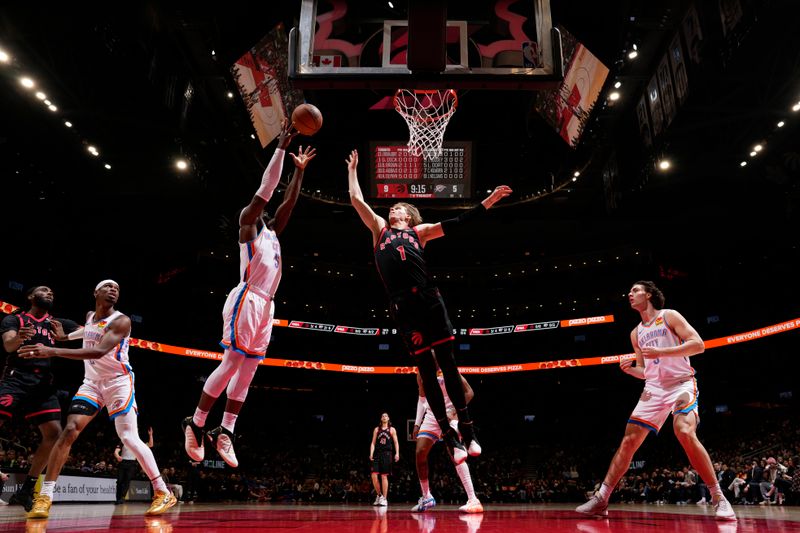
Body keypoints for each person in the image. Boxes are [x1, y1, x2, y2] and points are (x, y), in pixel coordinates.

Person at [346, 148, 511, 464]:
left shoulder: (419, 232)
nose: (393, 210)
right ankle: (450, 439)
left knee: (447, 364)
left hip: (428, 299)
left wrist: (488, 202)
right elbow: (357, 200)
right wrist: (353, 170)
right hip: (403, 308)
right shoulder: (379, 229)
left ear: (408, 216)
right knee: (425, 370)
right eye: (392, 208)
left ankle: (468, 429)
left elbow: (458, 222)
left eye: (398, 208)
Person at [182, 122, 315, 468]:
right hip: (247, 298)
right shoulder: (248, 224)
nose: (267, 208)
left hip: (267, 306)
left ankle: (224, 431)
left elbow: (288, 202)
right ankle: (196, 423)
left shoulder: (273, 234)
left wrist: (299, 173)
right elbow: (267, 189)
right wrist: (283, 150)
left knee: (250, 368)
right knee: (231, 362)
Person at [575, 281, 736, 521]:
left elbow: (698, 345)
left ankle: (718, 496)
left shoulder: (669, 316)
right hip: (653, 389)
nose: (630, 294)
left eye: (635, 290)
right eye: (629, 291)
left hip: (681, 383)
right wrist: (632, 370)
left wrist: (661, 352)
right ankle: (602, 499)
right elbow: (646, 369)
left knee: (683, 431)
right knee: (628, 441)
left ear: (648, 294)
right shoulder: (635, 333)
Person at [18, 280, 176, 519]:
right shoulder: (92, 315)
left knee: (128, 437)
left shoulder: (122, 321)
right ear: (96, 292)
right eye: (108, 286)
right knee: (69, 430)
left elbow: (98, 350)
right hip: (92, 383)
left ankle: (163, 491)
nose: (114, 289)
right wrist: (66, 337)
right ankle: (45, 497)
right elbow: (89, 329)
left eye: (117, 288)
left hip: (118, 382)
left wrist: (54, 350)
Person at [0, 286, 80, 511]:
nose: (50, 293)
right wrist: (19, 340)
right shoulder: (14, 319)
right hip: (16, 379)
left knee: (54, 433)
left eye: (52, 292)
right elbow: (8, 345)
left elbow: (91, 331)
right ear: (30, 297)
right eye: (44, 290)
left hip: (44, 384)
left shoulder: (57, 323)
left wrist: (67, 336)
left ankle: (26, 490)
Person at [411, 371, 483, 513]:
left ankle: (473, 499)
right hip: (432, 415)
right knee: (420, 452)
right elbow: (422, 398)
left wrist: (455, 411)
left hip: (450, 413)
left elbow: (469, 393)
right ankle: (427, 497)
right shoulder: (421, 373)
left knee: (455, 453)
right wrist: (417, 424)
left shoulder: (450, 369)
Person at [114, 426, 154, 503]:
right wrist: (117, 456)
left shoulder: (139, 443)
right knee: (119, 481)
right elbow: (116, 451)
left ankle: (122, 497)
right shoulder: (123, 440)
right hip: (123, 462)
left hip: (132, 463)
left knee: (127, 481)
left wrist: (150, 435)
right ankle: (118, 497)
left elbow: (150, 445)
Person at [369, 412, 400, 506]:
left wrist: (397, 453)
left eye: (386, 415)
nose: (384, 417)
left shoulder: (392, 429)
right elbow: (373, 443)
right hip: (377, 454)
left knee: (384, 476)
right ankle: (379, 496)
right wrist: (371, 453)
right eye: (382, 416)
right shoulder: (376, 429)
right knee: (374, 475)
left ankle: (385, 499)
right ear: (381, 419)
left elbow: (396, 442)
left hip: (387, 454)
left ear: (388, 418)